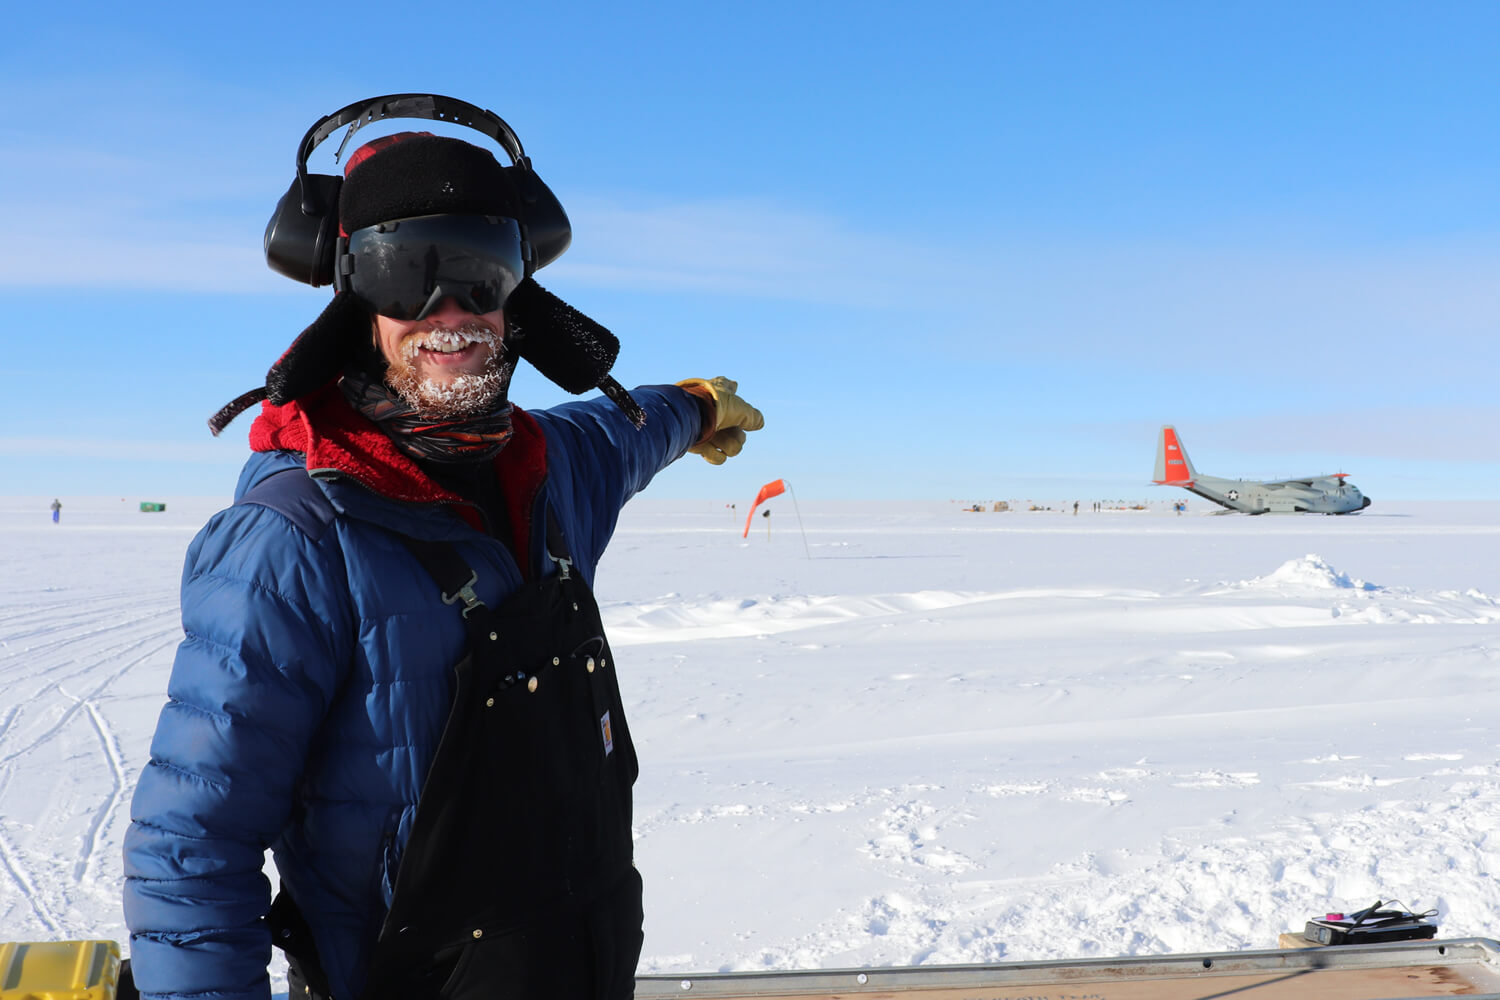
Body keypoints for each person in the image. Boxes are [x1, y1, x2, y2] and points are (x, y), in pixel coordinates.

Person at [123, 113, 763, 1000]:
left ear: (516, 293)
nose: (450, 311)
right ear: (352, 295)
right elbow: (189, 848)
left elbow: (625, 431)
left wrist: (692, 408)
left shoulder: (550, 472)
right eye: (406, 272)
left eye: (479, 268)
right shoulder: (297, 537)